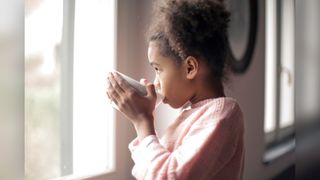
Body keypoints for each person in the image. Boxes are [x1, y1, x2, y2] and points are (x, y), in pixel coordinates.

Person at [106, 0, 244, 179]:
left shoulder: (223, 114)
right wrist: (145, 120)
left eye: (157, 69)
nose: (156, 82)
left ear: (190, 68)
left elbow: (167, 176)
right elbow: (150, 171)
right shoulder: (192, 115)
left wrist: (143, 121)